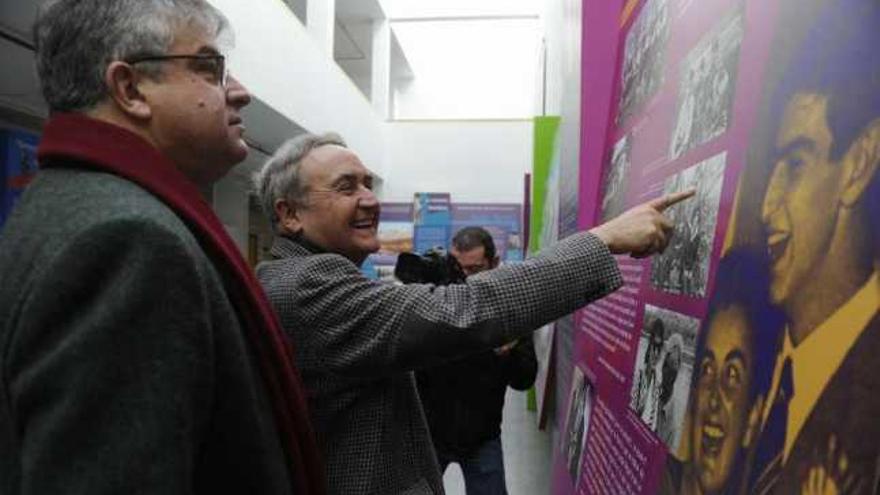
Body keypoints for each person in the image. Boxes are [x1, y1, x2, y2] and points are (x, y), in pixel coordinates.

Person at [253, 132, 694, 494]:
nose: (369, 199)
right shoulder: (308, 285)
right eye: (347, 187)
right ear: (289, 214)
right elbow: (466, 309)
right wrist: (603, 240)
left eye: (368, 183)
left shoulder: (297, 276)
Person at [0, 1, 322, 493]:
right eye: (209, 68)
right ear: (130, 89)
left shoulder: (75, 202)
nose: (239, 92)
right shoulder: (128, 239)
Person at [747, 1, 880, 492]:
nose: (766, 206)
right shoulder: (761, 373)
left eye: (796, 166)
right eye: (772, 168)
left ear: (859, 162)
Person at [415, 226, 537, 495]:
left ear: (494, 263)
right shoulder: (435, 298)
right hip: (429, 436)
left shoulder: (510, 307)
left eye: (475, 270)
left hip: (483, 437)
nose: (466, 279)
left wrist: (509, 352)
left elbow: (525, 379)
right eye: (460, 269)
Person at [661, 250, 782, 495]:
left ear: (753, 418)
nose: (714, 400)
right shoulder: (656, 480)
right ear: (693, 394)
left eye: (733, 375)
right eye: (707, 369)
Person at [632, 318, 666, 430]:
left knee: (649, 401)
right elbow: (647, 360)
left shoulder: (660, 347)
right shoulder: (650, 343)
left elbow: (658, 361)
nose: (657, 337)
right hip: (647, 374)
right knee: (641, 397)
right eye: (656, 334)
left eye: (659, 335)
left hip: (653, 376)